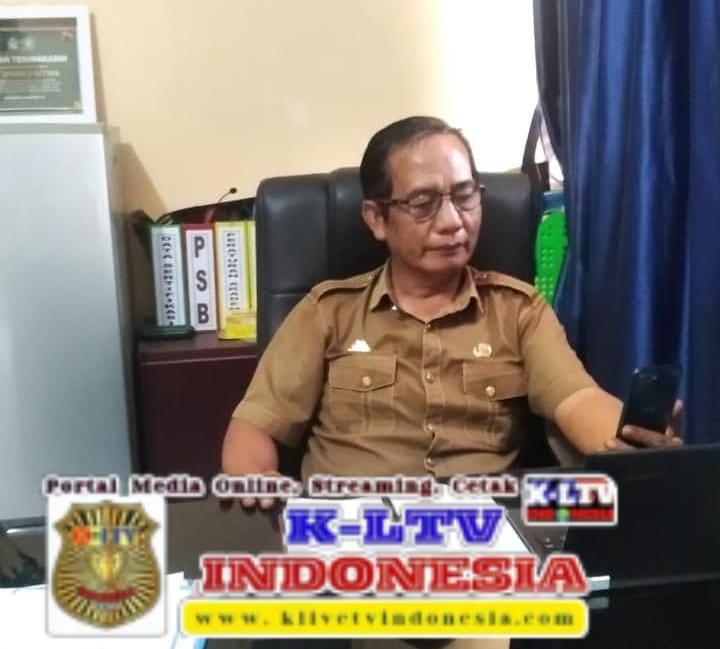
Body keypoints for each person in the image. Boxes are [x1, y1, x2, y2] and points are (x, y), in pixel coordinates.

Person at [222, 116, 682, 509]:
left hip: (482, 532)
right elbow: (254, 426)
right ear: (376, 218)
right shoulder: (328, 312)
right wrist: (257, 481)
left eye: (465, 196)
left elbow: (577, 400)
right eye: (423, 204)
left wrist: (627, 438)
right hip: (354, 533)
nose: (453, 222)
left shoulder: (518, 311)